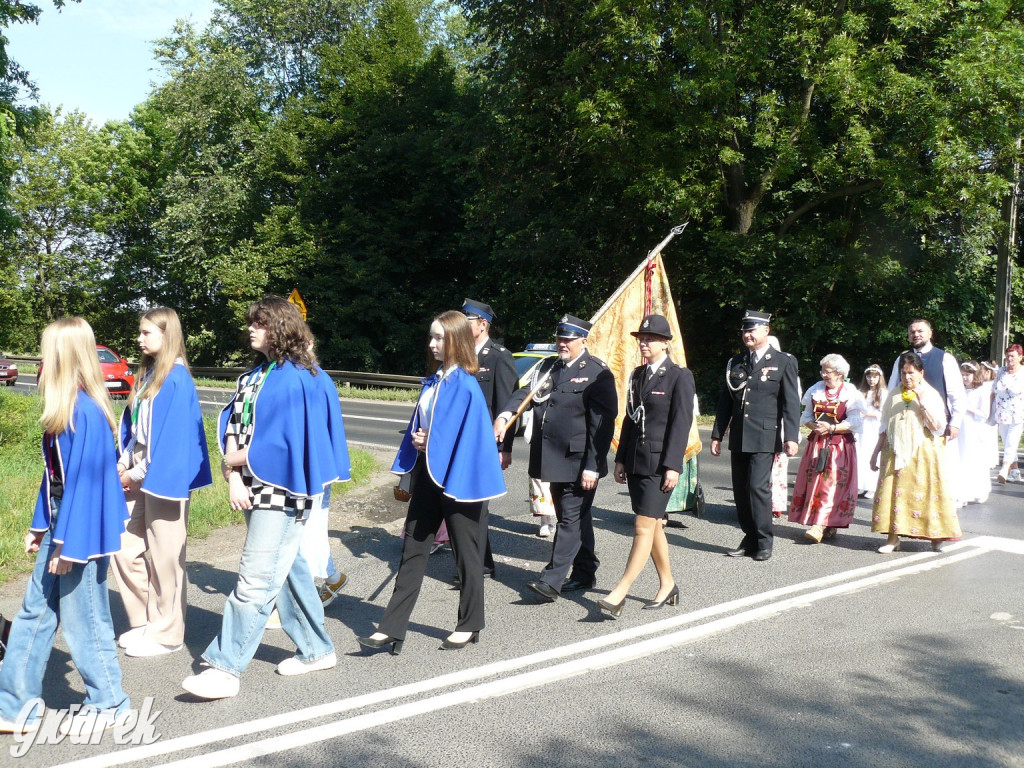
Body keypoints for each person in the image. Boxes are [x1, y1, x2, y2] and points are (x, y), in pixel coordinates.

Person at [182, 297, 349, 700]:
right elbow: (236, 426)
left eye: (259, 323)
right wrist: (233, 474)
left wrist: (237, 459)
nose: (251, 329)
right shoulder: (258, 374)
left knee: (255, 578)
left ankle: (225, 667)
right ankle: (316, 649)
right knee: (286, 569)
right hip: (255, 484)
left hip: (283, 490)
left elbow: (293, 441)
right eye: (251, 323)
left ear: (280, 327)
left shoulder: (299, 377)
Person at [0, 318, 130, 735]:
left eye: (46, 349)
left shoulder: (86, 412)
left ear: (64, 354)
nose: (41, 356)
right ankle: (15, 705)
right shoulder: (66, 406)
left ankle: (110, 702)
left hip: (81, 532)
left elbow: (87, 487)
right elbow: (53, 475)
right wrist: (41, 526)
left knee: (84, 618)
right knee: (33, 613)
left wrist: (67, 546)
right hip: (63, 522)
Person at [357, 311, 505, 654]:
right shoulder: (436, 379)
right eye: (431, 337)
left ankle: (469, 624)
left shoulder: (466, 384)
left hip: (460, 481)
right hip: (429, 475)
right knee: (413, 549)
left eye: (438, 338)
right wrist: (420, 445)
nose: (431, 344)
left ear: (455, 340)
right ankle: (391, 627)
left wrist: (431, 440)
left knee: (467, 556)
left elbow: (471, 437)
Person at [112, 307, 212, 658]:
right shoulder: (149, 374)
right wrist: (124, 463)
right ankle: (144, 622)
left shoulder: (175, 378)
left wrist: (133, 474)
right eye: (140, 332)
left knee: (167, 556)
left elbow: (167, 442)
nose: (139, 339)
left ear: (167, 335)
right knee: (122, 544)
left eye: (146, 333)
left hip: (163, 475)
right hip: (139, 465)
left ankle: (167, 635)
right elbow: (135, 430)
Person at [495, 314, 617, 601]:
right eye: (559, 338)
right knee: (573, 517)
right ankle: (585, 570)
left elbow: (602, 425)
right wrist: (505, 415)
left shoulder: (597, 373)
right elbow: (525, 392)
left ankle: (552, 580)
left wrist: (592, 467)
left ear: (583, 341)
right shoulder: (550, 367)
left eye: (568, 339)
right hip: (552, 457)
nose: (562, 343)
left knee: (569, 519)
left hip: (579, 461)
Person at [598, 315, 695, 618]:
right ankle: (667, 584)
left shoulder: (679, 376)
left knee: (642, 526)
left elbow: (681, 424)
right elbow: (630, 418)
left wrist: (673, 466)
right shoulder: (638, 375)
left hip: (660, 464)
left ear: (666, 343)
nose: (644, 343)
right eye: (641, 338)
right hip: (638, 460)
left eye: (650, 338)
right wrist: (621, 459)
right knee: (652, 527)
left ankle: (620, 592)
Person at [710, 310, 800, 561]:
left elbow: (790, 403)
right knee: (740, 490)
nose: (747, 335)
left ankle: (763, 539)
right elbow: (725, 402)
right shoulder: (736, 363)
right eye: (744, 330)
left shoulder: (783, 361)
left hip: (764, 435)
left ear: (766, 331)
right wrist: (717, 434)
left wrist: (791, 436)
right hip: (739, 436)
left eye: (752, 330)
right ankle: (749, 537)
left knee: (756, 488)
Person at [870, 352, 960, 553]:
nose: (907, 378)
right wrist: (875, 453)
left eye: (911, 373)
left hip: (923, 451)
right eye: (903, 373)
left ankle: (935, 537)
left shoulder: (931, 394)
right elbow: (884, 426)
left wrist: (922, 402)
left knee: (926, 493)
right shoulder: (894, 394)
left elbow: (938, 428)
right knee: (893, 494)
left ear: (921, 372)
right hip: (893, 451)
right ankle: (893, 538)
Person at [456, 298, 517, 582]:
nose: (463, 325)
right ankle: (481, 562)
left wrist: (505, 448)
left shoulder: (499, 356)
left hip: (485, 443)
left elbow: (507, 405)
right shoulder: (460, 354)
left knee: (476, 505)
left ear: (483, 324)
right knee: (463, 504)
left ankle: (475, 566)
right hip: (460, 442)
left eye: (468, 320)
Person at [787, 354, 864, 542]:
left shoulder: (850, 392)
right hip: (817, 444)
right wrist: (813, 426)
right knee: (815, 483)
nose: (823, 375)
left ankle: (820, 524)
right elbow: (805, 416)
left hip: (839, 447)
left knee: (831, 484)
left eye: (827, 372)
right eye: (822, 371)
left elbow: (855, 421)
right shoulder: (816, 389)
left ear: (839, 374)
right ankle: (825, 524)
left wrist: (832, 428)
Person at [888, 318, 965, 441]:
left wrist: (955, 423)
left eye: (920, 331)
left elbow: (957, 395)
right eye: (912, 332)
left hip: (936, 425)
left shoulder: (945, 358)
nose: (916, 334)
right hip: (906, 423)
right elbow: (892, 391)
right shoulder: (901, 359)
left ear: (930, 334)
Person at [957, 362, 991, 504]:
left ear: (974, 375)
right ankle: (961, 492)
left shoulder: (981, 391)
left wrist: (967, 408)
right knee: (961, 458)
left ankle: (978, 490)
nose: (964, 378)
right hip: (961, 429)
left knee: (974, 459)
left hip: (974, 429)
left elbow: (984, 414)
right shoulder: (960, 390)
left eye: (967, 375)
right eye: (963, 375)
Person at [992, 343, 1024, 484]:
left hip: (1018, 414)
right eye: (1008, 355)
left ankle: (1005, 469)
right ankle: (1015, 470)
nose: (1009, 358)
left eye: (1012, 356)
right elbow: (994, 389)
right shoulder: (1001, 371)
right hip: (1002, 412)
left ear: (1020, 357)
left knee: (1011, 442)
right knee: (1007, 443)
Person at [856, 364, 886, 497]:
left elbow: (884, 413)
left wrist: (868, 414)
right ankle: (860, 484)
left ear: (879, 378)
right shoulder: (861, 392)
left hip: (874, 428)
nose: (871, 380)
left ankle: (872, 487)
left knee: (872, 452)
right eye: (869, 376)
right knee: (860, 453)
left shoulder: (884, 393)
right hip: (862, 427)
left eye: (874, 377)